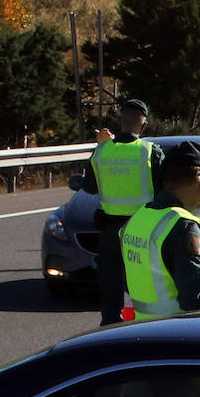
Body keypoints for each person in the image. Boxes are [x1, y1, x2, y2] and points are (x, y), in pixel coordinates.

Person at [120, 140, 200, 320]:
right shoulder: (183, 227)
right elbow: (198, 299)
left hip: (140, 332)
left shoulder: (137, 220)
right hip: (178, 334)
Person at [81, 98, 165, 325]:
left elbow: (88, 186)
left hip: (109, 232)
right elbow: (164, 190)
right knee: (140, 287)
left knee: (110, 286)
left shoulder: (101, 152)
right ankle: (138, 329)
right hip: (141, 231)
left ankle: (110, 330)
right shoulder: (150, 152)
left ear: (120, 121)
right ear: (144, 126)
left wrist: (103, 145)